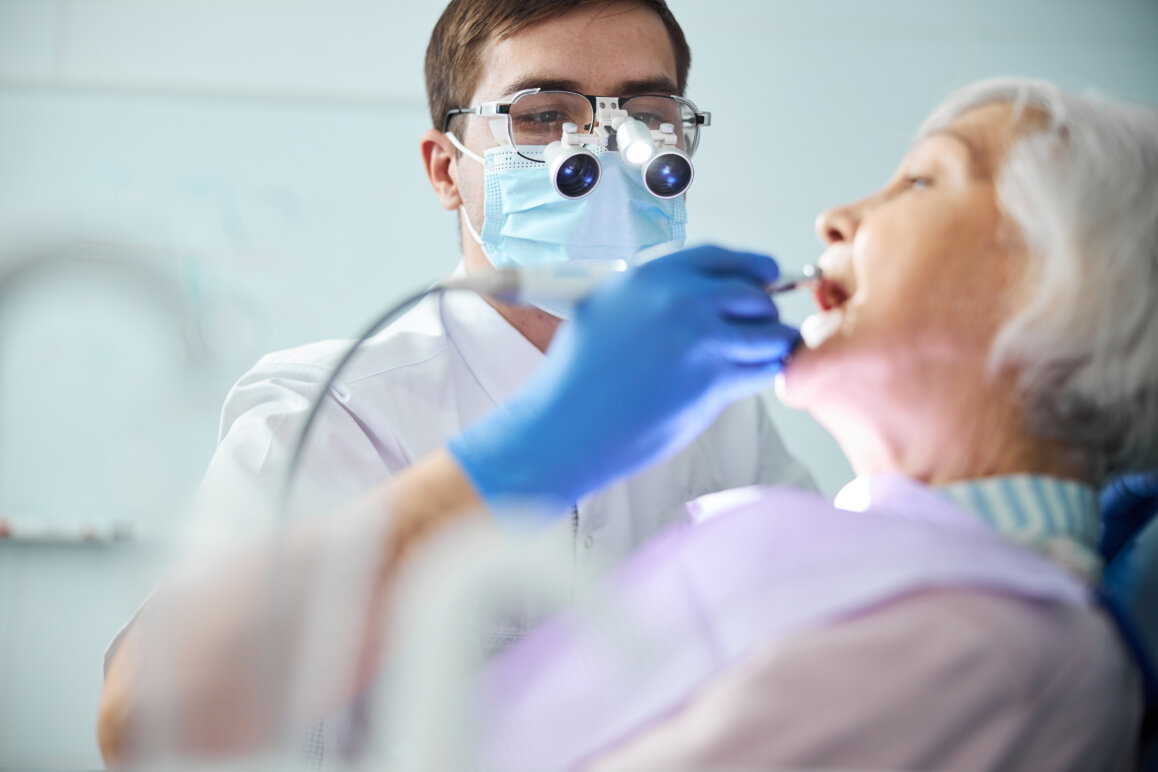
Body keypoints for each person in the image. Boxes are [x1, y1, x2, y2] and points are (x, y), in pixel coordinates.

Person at [99, 78, 1157, 768]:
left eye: (647, 113)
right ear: (443, 167)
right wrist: (528, 456)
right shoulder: (328, 402)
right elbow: (153, 720)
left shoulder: (737, 437)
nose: (600, 151)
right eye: (540, 113)